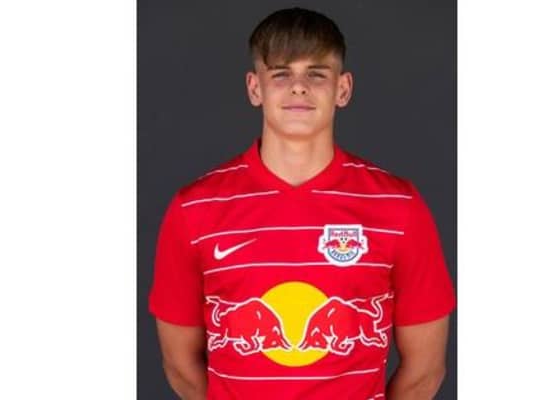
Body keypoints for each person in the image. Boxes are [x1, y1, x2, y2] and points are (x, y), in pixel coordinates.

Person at [149, 7, 455, 400]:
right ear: (254, 88)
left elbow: (424, 372)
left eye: (316, 74)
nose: (298, 87)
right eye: (280, 74)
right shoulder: (194, 210)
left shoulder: (399, 208)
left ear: (343, 89)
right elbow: (180, 367)